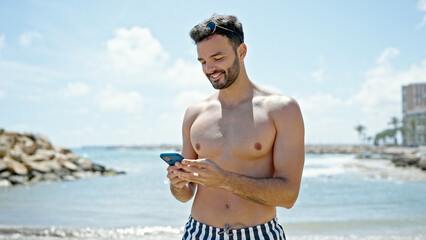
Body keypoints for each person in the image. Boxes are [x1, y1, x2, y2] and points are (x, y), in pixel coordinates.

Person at [166, 14, 305, 240]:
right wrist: (178, 184)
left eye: (218, 57)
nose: (210, 68)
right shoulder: (195, 114)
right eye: (202, 61)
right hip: (199, 232)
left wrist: (225, 180)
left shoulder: (281, 110)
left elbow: (288, 196)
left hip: (259, 234)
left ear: (241, 52)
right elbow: (185, 195)